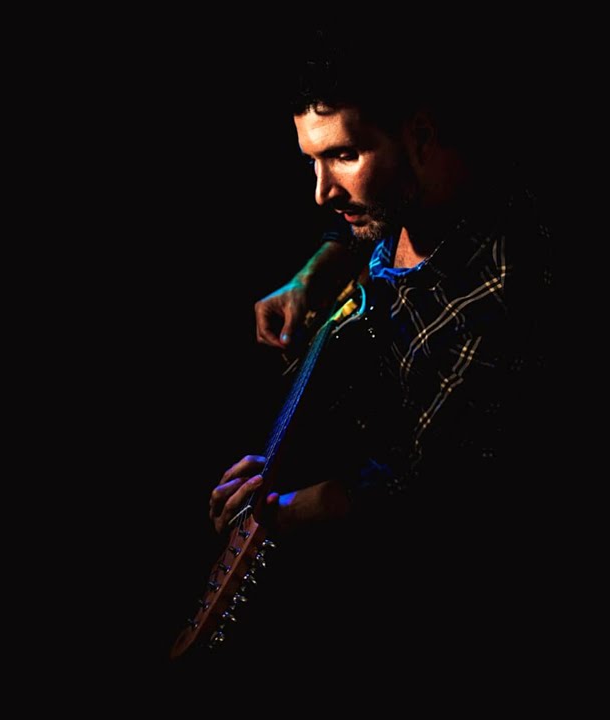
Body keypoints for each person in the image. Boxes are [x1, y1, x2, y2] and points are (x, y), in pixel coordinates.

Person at [194, 17, 576, 684]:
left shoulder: (504, 294)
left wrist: (283, 513)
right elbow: (363, 229)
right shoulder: (403, 197)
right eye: (312, 161)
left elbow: (430, 496)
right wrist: (308, 279)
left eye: (343, 156)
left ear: (420, 134)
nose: (321, 191)